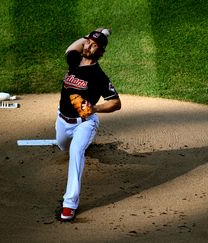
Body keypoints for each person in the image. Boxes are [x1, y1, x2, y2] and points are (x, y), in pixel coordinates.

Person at [55, 27, 121, 221]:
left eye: (94, 45)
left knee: (76, 152)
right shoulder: (74, 61)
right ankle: (79, 144)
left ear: (100, 52)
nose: (89, 46)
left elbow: (116, 103)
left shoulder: (99, 76)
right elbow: (70, 48)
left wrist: (94, 109)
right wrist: (92, 34)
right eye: (88, 43)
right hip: (62, 120)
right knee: (63, 146)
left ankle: (69, 205)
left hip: (85, 123)